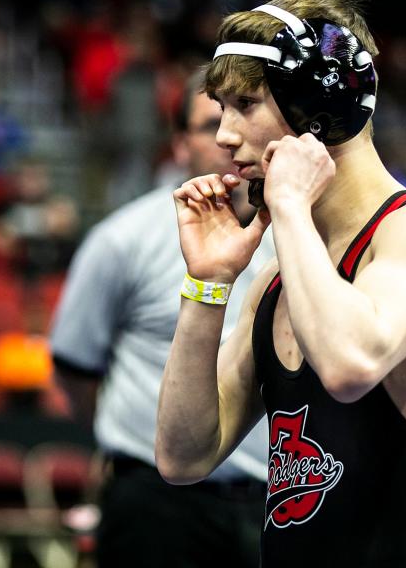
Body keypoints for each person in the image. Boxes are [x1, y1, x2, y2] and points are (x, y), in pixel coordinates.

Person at [155, 0, 406, 567]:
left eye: (246, 104)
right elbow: (183, 457)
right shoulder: (279, 283)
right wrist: (208, 286)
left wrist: (288, 205)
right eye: (220, 108)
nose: (224, 137)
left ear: (318, 106)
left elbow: (350, 366)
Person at [49, 68, 273, 568]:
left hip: (271, 498)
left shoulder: (293, 234)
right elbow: (74, 365)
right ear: (178, 145)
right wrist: (128, 438)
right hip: (157, 502)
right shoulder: (123, 239)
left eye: (243, 117)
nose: (227, 138)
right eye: (209, 124)